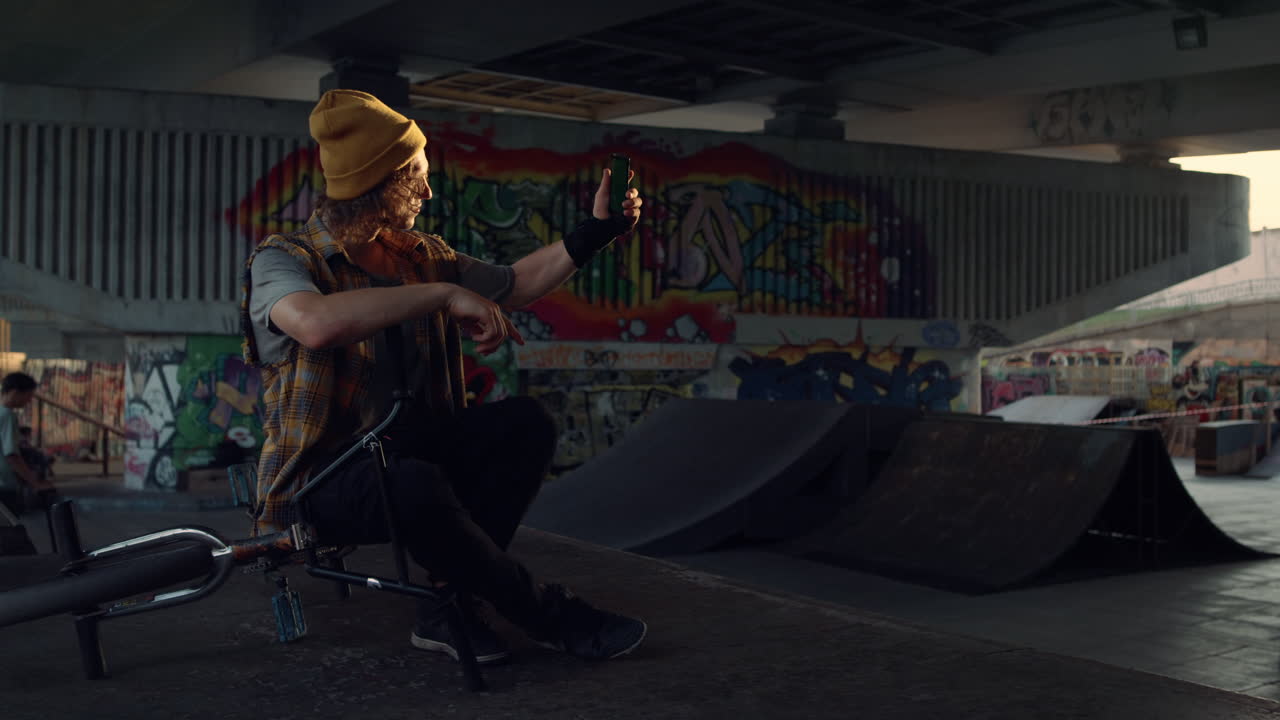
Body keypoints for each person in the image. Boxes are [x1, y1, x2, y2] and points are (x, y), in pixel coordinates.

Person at [241, 89, 646, 665]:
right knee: (411, 482)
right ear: (376, 182)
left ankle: (446, 603)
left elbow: (515, 284)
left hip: (413, 449)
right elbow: (313, 325)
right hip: (324, 477)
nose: (428, 192)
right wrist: (444, 293)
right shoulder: (285, 260)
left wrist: (595, 232)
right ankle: (544, 614)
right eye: (416, 178)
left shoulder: (419, 255)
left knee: (522, 424)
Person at [0, 373, 56, 516]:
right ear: (15, 392)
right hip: (5, 485)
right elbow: (12, 455)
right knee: (12, 535)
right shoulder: (7, 416)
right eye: (28, 395)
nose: (29, 400)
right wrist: (35, 483)